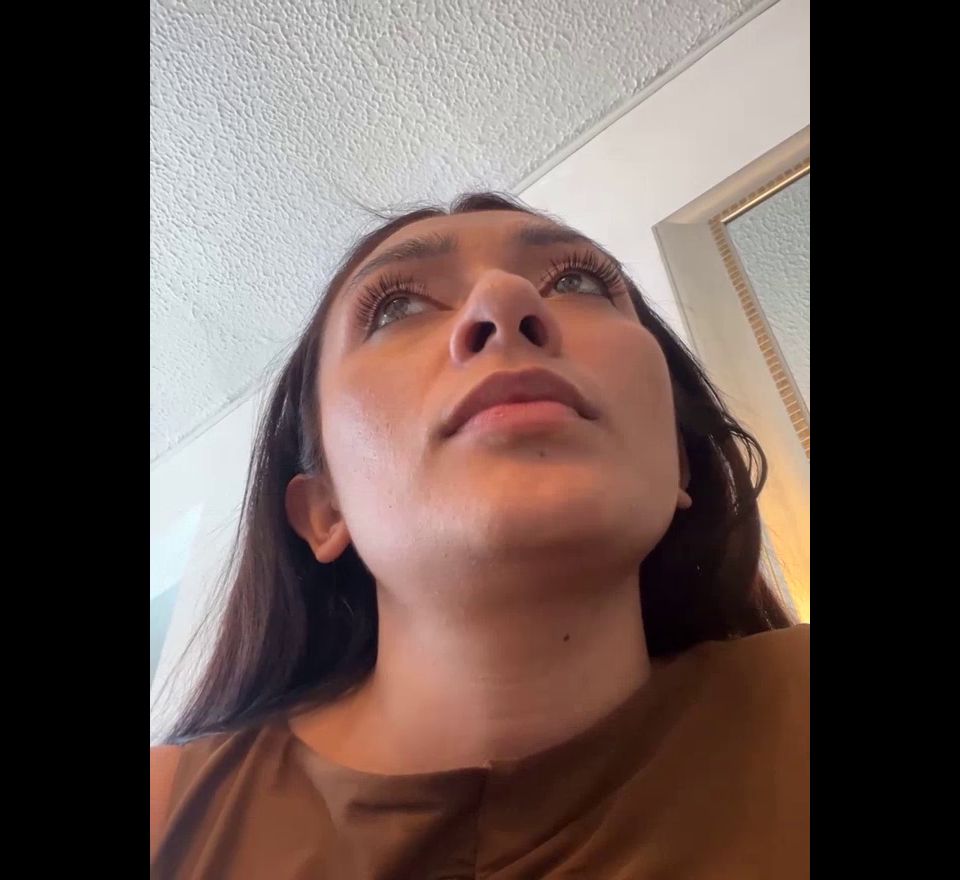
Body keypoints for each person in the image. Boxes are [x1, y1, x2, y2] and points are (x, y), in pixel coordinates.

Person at [150, 192, 808, 879]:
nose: (505, 299)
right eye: (396, 307)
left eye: (578, 283)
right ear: (324, 510)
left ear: (677, 461)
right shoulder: (166, 822)